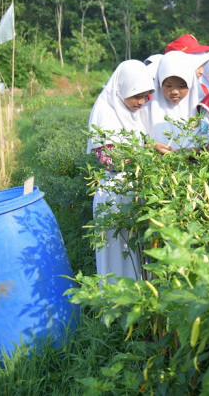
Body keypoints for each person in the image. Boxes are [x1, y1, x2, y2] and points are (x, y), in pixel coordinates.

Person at [87, 60, 155, 281]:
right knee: (117, 253)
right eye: (136, 95)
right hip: (114, 193)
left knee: (138, 252)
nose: (141, 102)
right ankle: (116, 306)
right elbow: (109, 160)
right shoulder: (105, 114)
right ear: (121, 89)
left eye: (146, 96)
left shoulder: (135, 113)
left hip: (136, 189)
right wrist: (147, 151)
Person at [147, 50, 205, 152]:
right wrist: (152, 145)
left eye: (182, 86)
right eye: (168, 86)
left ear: (190, 84)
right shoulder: (147, 110)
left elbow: (208, 141)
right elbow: (138, 140)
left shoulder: (202, 109)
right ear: (160, 83)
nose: (174, 91)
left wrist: (189, 152)